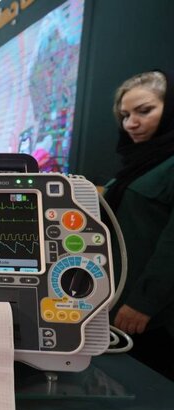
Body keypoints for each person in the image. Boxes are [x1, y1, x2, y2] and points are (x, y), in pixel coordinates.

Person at [104, 70, 174, 380]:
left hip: (152, 315)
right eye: (125, 115)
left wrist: (143, 303)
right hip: (115, 303)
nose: (131, 123)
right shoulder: (139, 164)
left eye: (144, 111)